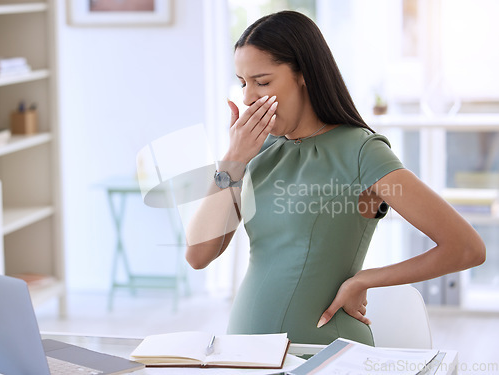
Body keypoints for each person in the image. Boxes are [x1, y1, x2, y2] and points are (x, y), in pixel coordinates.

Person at [185, 10, 485, 346]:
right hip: (246, 356)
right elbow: (198, 255)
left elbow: (466, 248)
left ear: (305, 75)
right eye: (243, 83)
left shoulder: (360, 151)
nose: (249, 98)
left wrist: (366, 279)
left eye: (262, 81)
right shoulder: (255, 152)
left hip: (324, 354)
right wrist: (233, 160)